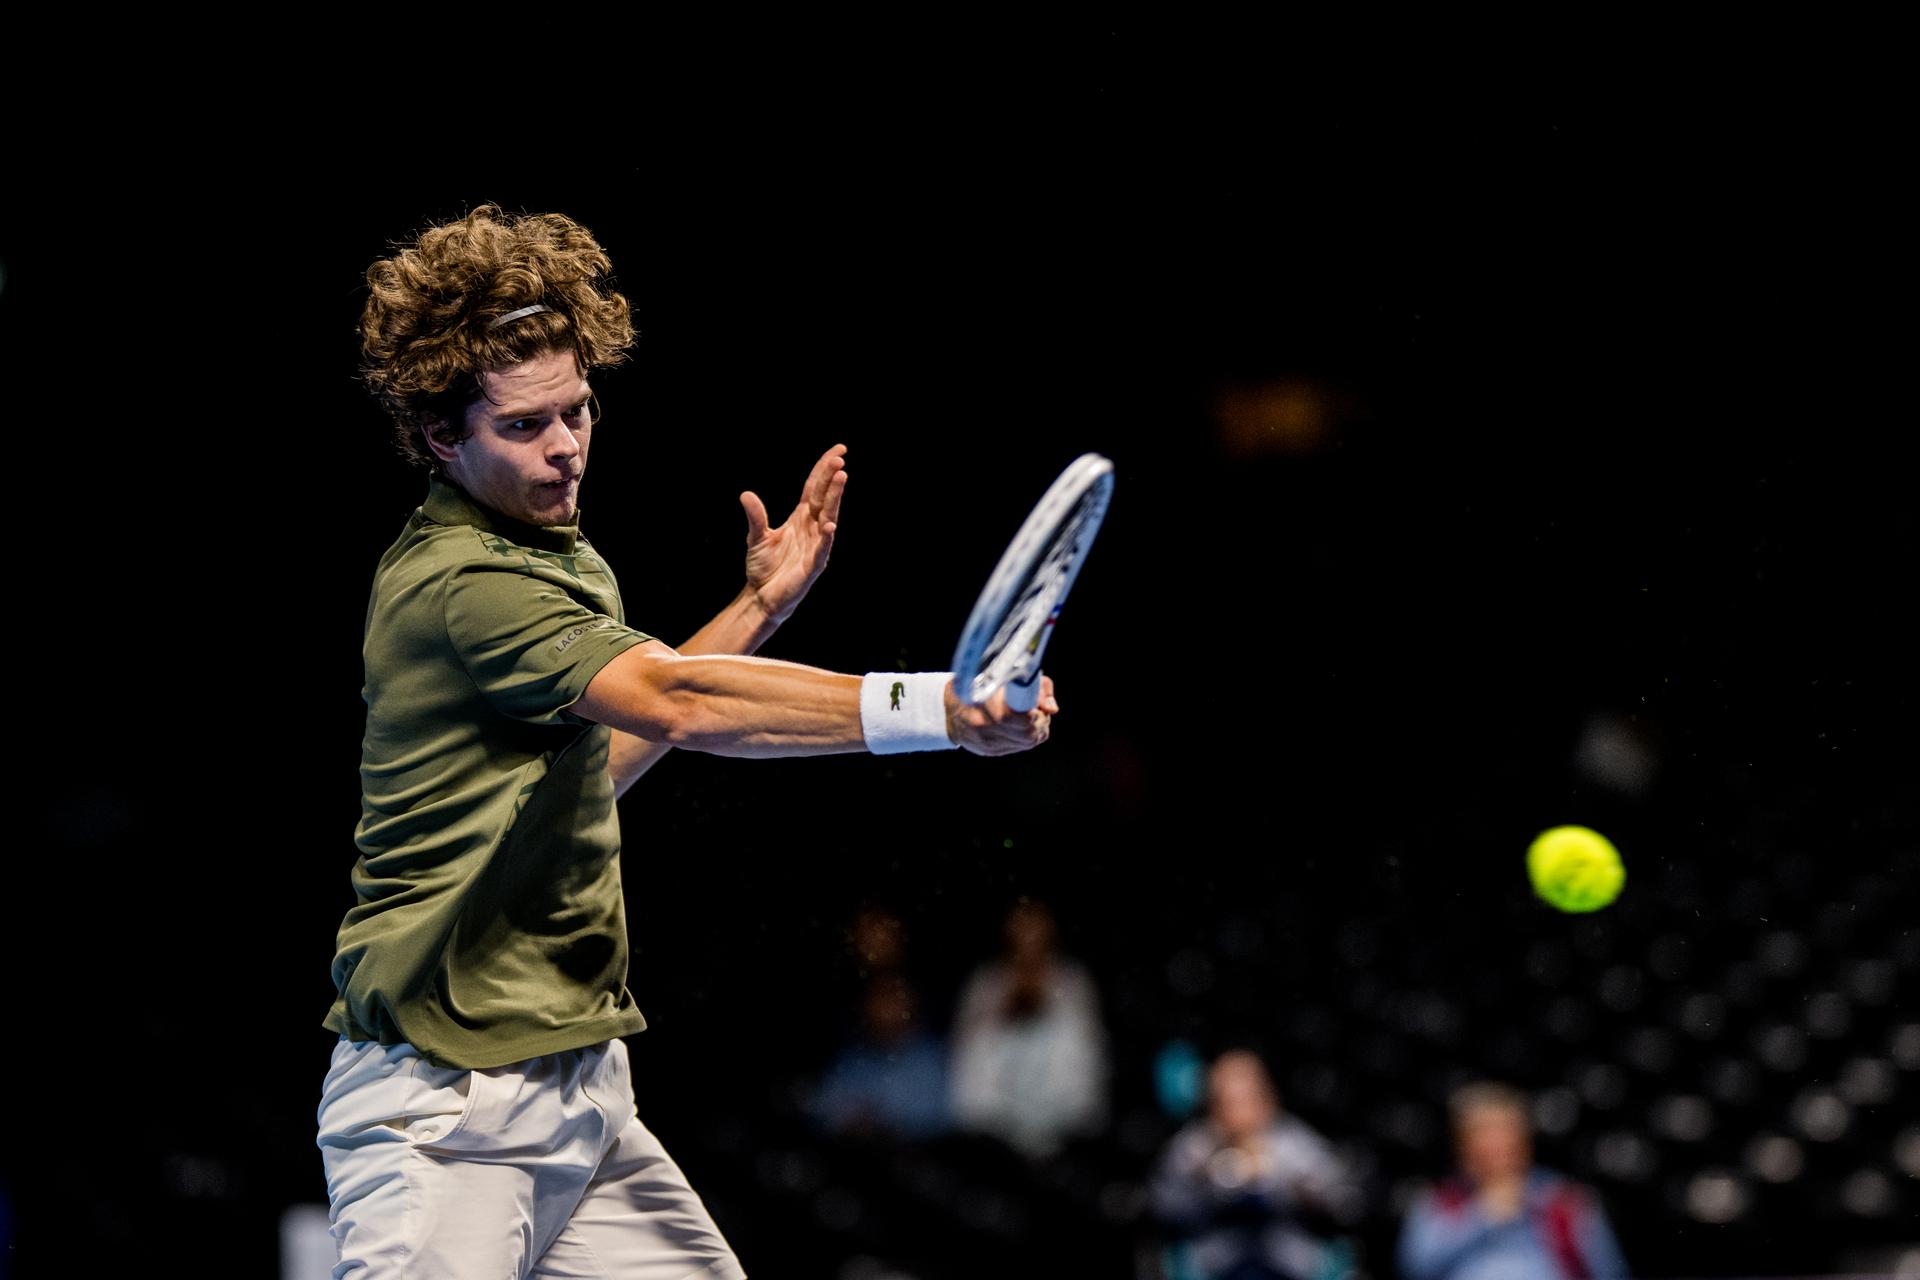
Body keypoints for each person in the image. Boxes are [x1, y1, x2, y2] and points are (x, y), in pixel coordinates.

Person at [314, 203, 1058, 1279]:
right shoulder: (463, 583)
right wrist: (943, 707)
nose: (566, 446)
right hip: (448, 1115)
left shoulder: (561, 558)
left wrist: (755, 610)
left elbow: (595, 769)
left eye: (576, 410)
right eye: (524, 425)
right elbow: (681, 704)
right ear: (441, 435)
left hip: (579, 1100)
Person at [1147, 1048, 1362, 1280]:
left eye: (1246, 1099)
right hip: (1212, 1260)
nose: (1237, 1113)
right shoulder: (1194, 1146)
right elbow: (1163, 1206)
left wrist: (1299, 1187)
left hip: (1289, 1258)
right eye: (1227, 1102)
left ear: (1267, 1099)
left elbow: (1342, 1199)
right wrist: (1199, 1180)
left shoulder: (1293, 1140)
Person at [1398, 1081, 1629, 1280]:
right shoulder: (1441, 1202)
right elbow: (1413, 1269)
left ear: (1524, 1143)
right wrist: (1482, 1216)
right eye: (1483, 1142)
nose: (1495, 1152)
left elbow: (1608, 1273)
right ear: (1463, 1147)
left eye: (1504, 1141)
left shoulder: (1563, 1201)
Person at [950, 899, 1109, 1159]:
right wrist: (1004, 1009)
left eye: (1036, 925)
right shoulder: (985, 984)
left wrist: (1045, 1001)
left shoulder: (1073, 981)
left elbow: (1086, 1051)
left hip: (1064, 1125)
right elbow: (968, 1050)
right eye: (1021, 925)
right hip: (996, 1128)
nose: (1028, 935)